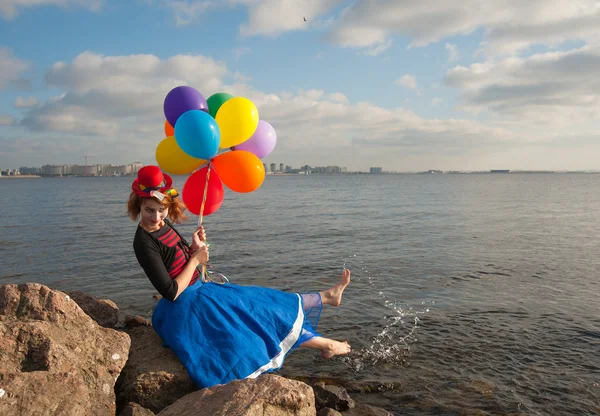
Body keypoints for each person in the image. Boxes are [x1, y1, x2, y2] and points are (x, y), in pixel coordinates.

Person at [127, 165, 351, 389]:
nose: (156, 216)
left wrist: (193, 246)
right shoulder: (144, 243)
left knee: (265, 305)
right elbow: (170, 291)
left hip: (201, 290)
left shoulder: (163, 224)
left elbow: (176, 260)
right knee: (255, 321)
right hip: (185, 305)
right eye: (149, 210)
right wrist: (195, 259)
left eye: (161, 209)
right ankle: (326, 340)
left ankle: (327, 299)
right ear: (139, 205)